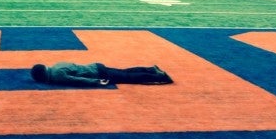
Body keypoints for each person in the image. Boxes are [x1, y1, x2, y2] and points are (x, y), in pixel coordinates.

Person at [30, 62, 173, 87]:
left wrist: (97, 82)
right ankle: (151, 69)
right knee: (126, 71)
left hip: (97, 73)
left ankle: (161, 77)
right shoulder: (57, 65)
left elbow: (77, 80)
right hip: (96, 66)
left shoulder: (57, 76)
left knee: (128, 77)